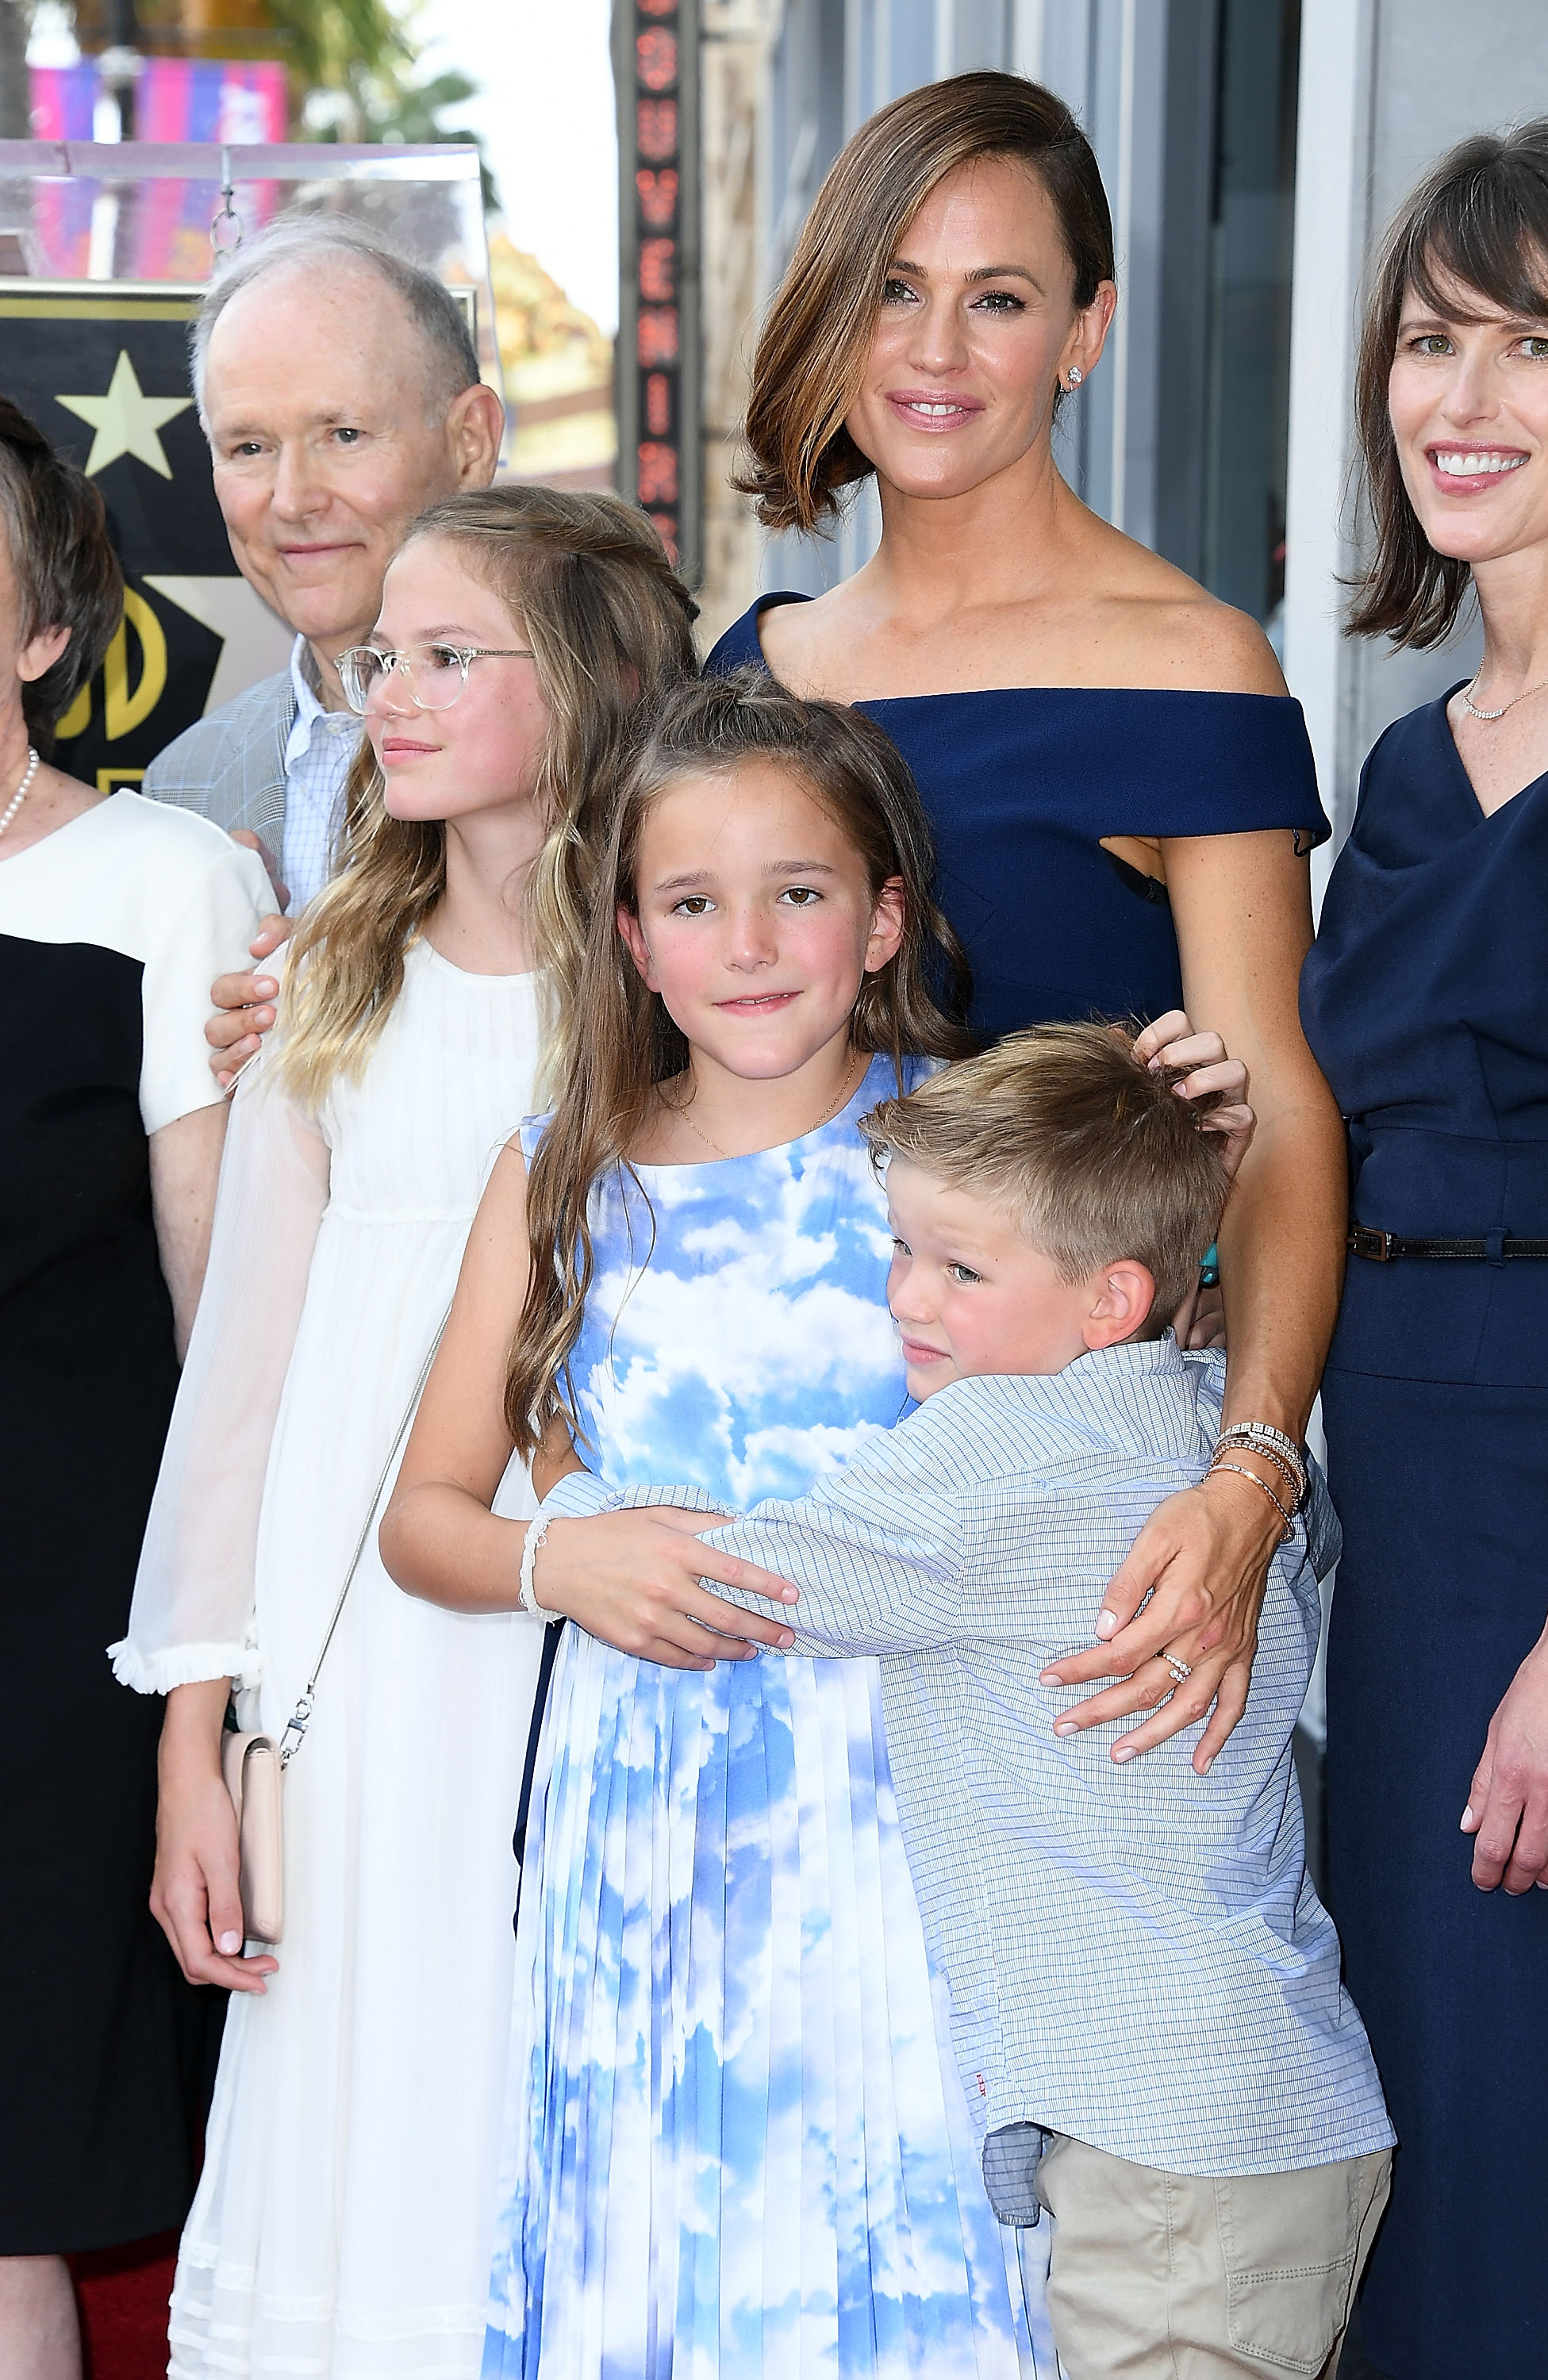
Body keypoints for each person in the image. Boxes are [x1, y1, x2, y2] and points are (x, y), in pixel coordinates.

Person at [381, 675, 1252, 2379]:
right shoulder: (559, 1169)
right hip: (647, 1839)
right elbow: (423, 1520)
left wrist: (1184, 1204)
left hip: (920, 1805)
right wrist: (568, 1561)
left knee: (911, 2229)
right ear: (631, 940)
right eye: (694, 903)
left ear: (884, 920)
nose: (752, 940)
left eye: (800, 891)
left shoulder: (971, 1149)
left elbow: (1119, 1417)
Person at [536, 1023, 1394, 2380]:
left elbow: (740, 1576)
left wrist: (562, 1491)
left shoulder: (993, 1449)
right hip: (1266, 2114)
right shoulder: (1187, 1422)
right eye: (899, 1250)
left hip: (1161, 2153)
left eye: (958, 1268)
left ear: (1109, 1298)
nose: (907, 1299)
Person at [113, 487, 698, 2380]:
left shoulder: (681, 990)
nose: (394, 693)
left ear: (595, 681)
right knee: (357, 2096)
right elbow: (240, 1390)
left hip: (598, 1638)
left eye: (454, 656)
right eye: (386, 658)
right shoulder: (328, 992)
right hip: (346, 1663)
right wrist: (194, 1737)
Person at [709, 71, 1346, 1768]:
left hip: (1065, 1484)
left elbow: (1276, 1108)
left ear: (1084, 331)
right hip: (761, 1457)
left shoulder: (1187, 666)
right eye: (893, 290)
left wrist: (1252, 1470)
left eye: (997, 299)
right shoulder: (749, 672)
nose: (933, 351)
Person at [1298, 120, 1548, 2380]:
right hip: (1397, 1505)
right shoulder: (1414, 766)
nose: (1461, 396)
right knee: (1407, 2125)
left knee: (1540, 2142)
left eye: (1535, 338)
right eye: (1431, 338)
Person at [0, 398, 272, 2380]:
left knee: (13, 2182)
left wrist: (223, 1683)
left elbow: (230, 1306)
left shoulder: (174, 882)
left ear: (40, 623)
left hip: (51, 1639)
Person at [144, 213, 504, 1077]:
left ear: (469, 443)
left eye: (343, 435)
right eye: (250, 447)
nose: (292, 499)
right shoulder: (183, 792)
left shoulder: (620, 739)